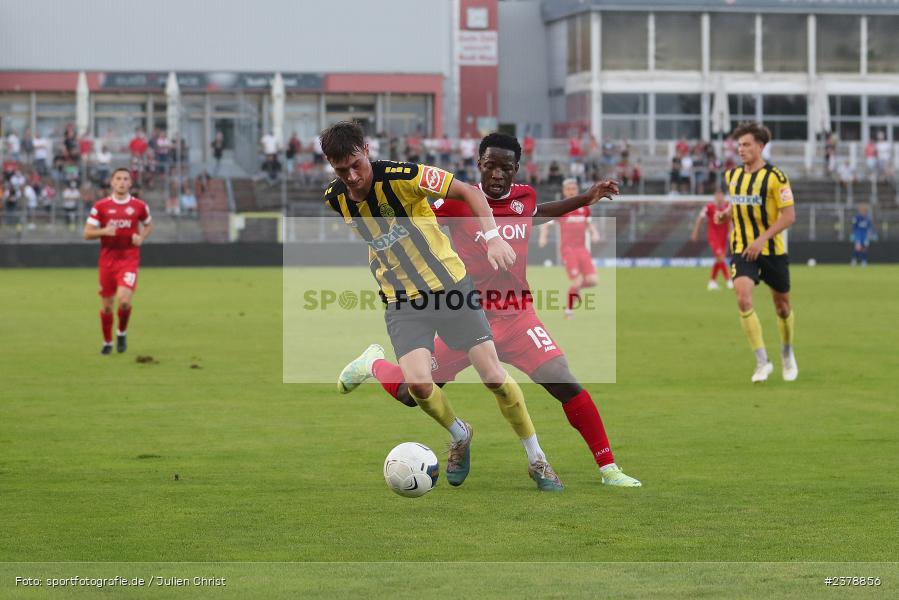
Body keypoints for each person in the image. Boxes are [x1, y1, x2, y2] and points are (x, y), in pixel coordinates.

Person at [339, 133, 640, 488]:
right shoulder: (456, 203)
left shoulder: (524, 198)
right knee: (411, 393)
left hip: (517, 316)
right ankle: (373, 363)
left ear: (516, 169)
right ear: (479, 164)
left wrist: (584, 199)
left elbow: (537, 214)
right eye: (490, 166)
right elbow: (416, 222)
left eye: (505, 168)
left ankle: (608, 468)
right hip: (465, 317)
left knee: (563, 380)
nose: (497, 174)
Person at [321, 121, 559, 490]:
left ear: (367, 151)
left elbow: (468, 192)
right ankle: (460, 435)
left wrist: (494, 238)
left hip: (451, 289)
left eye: (356, 165)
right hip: (403, 300)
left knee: (494, 378)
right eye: (341, 170)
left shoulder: (405, 176)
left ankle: (537, 459)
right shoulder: (334, 198)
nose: (351, 176)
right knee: (418, 386)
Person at [716, 122, 797, 383]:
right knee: (742, 298)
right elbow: (738, 205)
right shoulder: (732, 176)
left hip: (771, 250)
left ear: (760, 146)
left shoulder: (776, 178)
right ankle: (762, 361)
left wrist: (762, 240)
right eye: (739, 145)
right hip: (741, 248)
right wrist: (725, 214)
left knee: (782, 307)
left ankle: (786, 352)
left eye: (747, 144)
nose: (741, 149)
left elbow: (789, 216)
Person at [83, 168, 153, 355]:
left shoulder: (139, 206)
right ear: (112, 183)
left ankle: (121, 332)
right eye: (118, 179)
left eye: (126, 179)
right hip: (107, 262)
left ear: (130, 183)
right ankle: (108, 342)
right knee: (107, 306)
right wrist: (104, 231)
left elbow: (148, 224)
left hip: (129, 259)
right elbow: (87, 233)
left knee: (123, 301)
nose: (122, 182)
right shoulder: (101, 206)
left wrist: (142, 236)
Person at [538, 178, 601, 318]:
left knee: (593, 281)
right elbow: (546, 224)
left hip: (582, 249)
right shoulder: (561, 208)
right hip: (568, 250)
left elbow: (588, 224)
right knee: (577, 281)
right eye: (568, 189)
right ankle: (569, 310)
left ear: (577, 190)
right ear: (564, 191)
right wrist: (543, 237)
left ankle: (575, 291)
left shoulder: (584, 208)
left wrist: (594, 232)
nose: (571, 192)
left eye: (573, 189)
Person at [691, 189, 732, 290]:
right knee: (720, 257)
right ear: (714, 196)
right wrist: (696, 232)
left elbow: (731, 219)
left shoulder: (728, 206)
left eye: (720, 195)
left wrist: (731, 232)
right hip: (713, 236)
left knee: (719, 259)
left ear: (723, 196)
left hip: (723, 236)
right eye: (717, 195)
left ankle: (712, 282)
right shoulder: (709, 207)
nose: (719, 197)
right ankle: (729, 280)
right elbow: (700, 218)